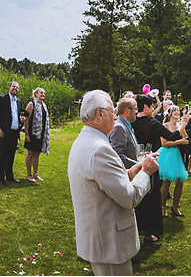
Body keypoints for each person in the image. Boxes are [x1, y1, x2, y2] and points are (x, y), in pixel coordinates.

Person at [67, 90, 158, 276]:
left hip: (99, 238)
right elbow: (129, 197)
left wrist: (130, 172)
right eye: (112, 111)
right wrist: (146, 172)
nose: (116, 116)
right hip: (109, 243)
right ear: (100, 114)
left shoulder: (84, 140)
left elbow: (99, 180)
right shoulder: (100, 149)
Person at [131, 94, 184, 243]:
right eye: (152, 106)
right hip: (150, 163)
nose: (153, 109)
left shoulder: (130, 123)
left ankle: (135, 228)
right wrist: (183, 125)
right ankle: (149, 232)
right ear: (146, 107)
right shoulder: (152, 124)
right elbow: (172, 136)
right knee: (151, 195)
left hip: (132, 164)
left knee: (134, 195)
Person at [158, 105, 190, 217]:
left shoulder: (180, 126)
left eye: (178, 111)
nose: (177, 112)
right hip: (167, 155)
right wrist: (179, 142)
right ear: (169, 114)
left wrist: (183, 127)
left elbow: (185, 138)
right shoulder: (165, 126)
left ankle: (175, 207)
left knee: (180, 182)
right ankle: (162, 208)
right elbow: (164, 143)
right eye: (174, 111)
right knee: (166, 182)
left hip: (177, 155)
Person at [0, 81, 26, 186]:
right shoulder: (2, 98)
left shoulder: (18, 101)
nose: (15, 88)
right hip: (4, 132)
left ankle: (10, 176)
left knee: (11, 155)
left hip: (14, 132)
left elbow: (18, 114)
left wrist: (22, 119)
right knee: (2, 155)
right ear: (9, 87)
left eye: (17, 87)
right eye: (13, 86)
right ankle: (0, 178)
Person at [23, 87, 50, 182]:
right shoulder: (32, 104)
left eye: (44, 93)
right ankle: (28, 175)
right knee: (30, 153)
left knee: (37, 154)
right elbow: (26, 120)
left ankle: (35, 174)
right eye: (41, 93)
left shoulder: (44, 106)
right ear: (36, 94)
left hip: (41, 134)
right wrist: (26, 134)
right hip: (32, 133)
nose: (43, 94)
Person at [110, 98, 139, 169]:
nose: (137, 112)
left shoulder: (125, 125)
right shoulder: (119, 127)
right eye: (135, 109)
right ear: (127, 110)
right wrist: (140, 165)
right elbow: (118, 155)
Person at [177, 104, 191, 176]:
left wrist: (190, 111)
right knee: (185, 154)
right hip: (184, 134)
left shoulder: (190, 118)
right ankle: (183, 168)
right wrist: (184, 114)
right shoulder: (180, 119)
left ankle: (189, 168)